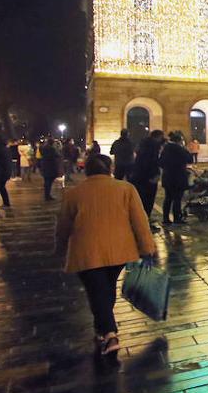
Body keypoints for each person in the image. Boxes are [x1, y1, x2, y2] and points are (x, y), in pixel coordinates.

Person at [54, 155, 156, 356]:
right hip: (118, 251)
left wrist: (60, 247)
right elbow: (140, 222)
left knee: (98, 291)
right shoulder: (126, 189)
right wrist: (147, 249)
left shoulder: (74, 194)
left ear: (87, 171)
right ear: (110, 168)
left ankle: (109, 334)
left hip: (86, 251)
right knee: (104, 290)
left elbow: (63, 225)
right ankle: (102, 328)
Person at [128, 130, 163, 227]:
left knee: (140, 199)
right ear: (158, 137)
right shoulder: (153, 145)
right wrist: (155, 175)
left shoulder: (142, 144)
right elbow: (152, 162)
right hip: (148, 177)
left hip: (138, 176)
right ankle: (144, 220)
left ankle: (139, 219)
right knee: (148, 199)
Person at [158, 132, 192, 226]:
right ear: (179, 141)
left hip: (168, 177)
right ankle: (177, 218)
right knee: (177, 199)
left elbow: (160, 163)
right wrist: (185, 149)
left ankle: (166, 219)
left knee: (168, 198)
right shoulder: (180, 149)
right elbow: (190, 159)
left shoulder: (165, 149)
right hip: (178, 177)